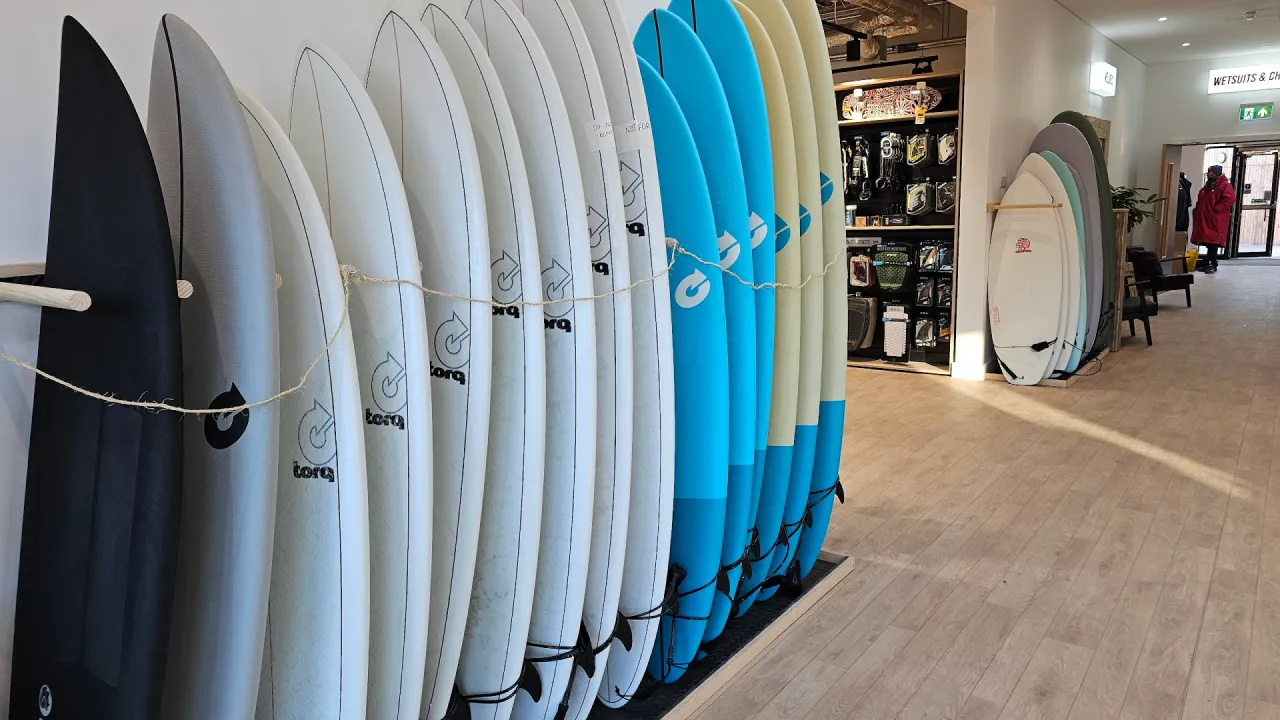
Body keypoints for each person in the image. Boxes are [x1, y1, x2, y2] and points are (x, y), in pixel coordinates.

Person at [1192, 164, 1236, 273]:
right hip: (1206, 219)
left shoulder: (1224, 185)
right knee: (1207, 241)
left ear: (1216, 173)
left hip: (1216, 220)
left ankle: (1213, 264)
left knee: (1213, 242)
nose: (1208, 173)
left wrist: (1217, 209)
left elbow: (1229, 199)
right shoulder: (1207, 187)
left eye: (1210, 171)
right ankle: (1208, 263)